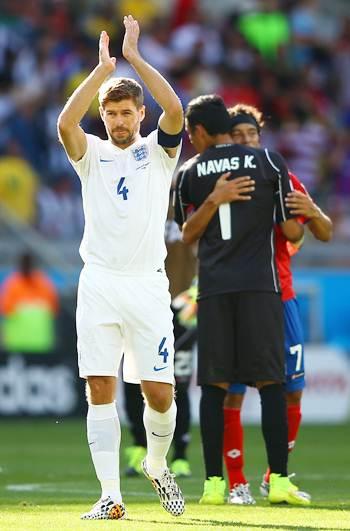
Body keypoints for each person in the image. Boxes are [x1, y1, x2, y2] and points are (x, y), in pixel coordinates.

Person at [57, 15, 184, 520]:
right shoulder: (92, 155)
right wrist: (101, 69)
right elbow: (66, 124)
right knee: (99, 387)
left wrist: (134, 59)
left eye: (127, 113)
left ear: (140, 113)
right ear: (104, 116)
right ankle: (111, 495)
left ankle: (156, 464)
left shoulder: (159, 153)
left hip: (149, 287)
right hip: (100, 285)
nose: (119, 122)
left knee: (159, 393)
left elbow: (175, 107)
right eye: (111, 114)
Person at [174, 94, 310, 507]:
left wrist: (214, 200)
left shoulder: (188, 172)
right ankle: (280, 480)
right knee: (272, 383)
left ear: (198, 131)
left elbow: (187, 234)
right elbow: (289, 231)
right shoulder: (269, 163)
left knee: (215, 386)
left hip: (214, 289)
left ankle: (215, 483)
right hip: (262, 286)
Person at [223, 104, 333, 505]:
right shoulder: (218, 182)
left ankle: (275, 477)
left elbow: (319, 230)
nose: (247, 142)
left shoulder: (282, 177)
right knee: (233, 393)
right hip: (234, 297)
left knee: (292, 392)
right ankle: (235, 482)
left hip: (280, 296)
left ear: (260, 137)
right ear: (226, 141)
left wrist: (313, 210)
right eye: (238, 136)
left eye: (252, 135)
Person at [123, 277, 197, 478]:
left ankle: (180, 456)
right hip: (144, 311)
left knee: (178, 389)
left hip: (182, 314)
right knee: (133, 384)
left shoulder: (188, 247)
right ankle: (139, 446)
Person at [0, 251, 59, 354]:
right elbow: (5, 310)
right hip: (18, 345)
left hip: (40, 345)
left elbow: (54, 308)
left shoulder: (43, 284)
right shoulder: (12, 285)